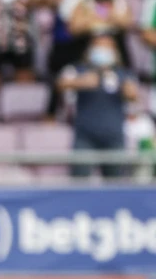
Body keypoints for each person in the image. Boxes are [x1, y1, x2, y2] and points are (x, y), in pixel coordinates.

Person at [58, 35, 137, 179]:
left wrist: (128, 90)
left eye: (107, 47)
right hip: (85, 136)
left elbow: (134, 96)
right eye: (99, 46)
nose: (103, 50)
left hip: (114, 137)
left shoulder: (123, 73)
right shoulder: (79, 69)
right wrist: (80, 83)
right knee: (79, 182)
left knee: (116, 184)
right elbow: (61, 84)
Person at [63, 0, 133, 68]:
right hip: (87, 51)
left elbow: (127, 23)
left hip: (116, 53)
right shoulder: (82, 0)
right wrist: (92, 21)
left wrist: (112, 18)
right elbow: (73, 28)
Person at [44, 0, 85, 118]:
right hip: (61, 38)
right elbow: (47, 3)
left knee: (84, 78)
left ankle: (81, 116)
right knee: (55, 79)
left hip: (82, 40)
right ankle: (51, 114)